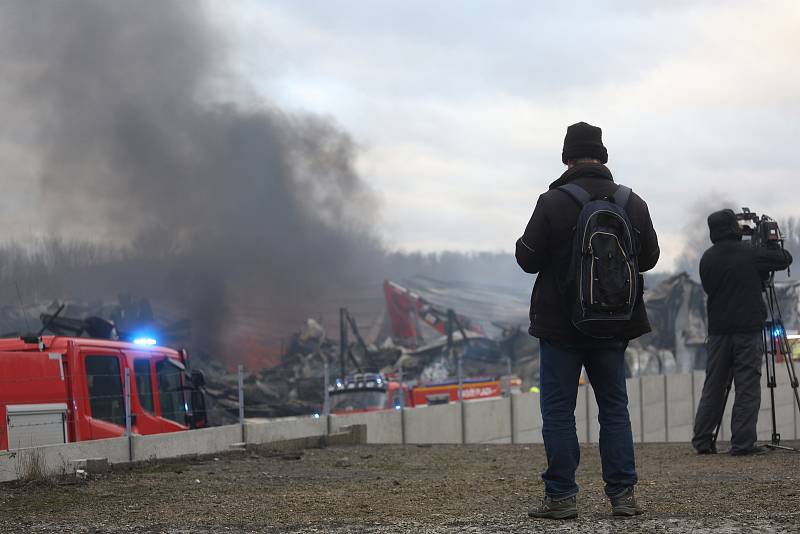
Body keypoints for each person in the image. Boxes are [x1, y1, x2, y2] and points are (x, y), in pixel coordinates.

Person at [515, 121, 659, 520]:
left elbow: (527, 259)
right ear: (603, 156)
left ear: (567, 158)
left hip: (560, 329)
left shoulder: (552, 202)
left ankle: (561, 497)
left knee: (559, 411)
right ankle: (623, 497)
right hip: (614, 324)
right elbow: (648, 259)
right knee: (614, 408)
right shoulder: (633, 203)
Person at [692, 209, 792, 456]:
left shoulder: (707, 258)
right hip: (747, 330)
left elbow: (708, 286)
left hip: (717, 331)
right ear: (734, 228)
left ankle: (702, 440)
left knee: (713, 385)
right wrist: (770, 243)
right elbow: (784, 259)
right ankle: (742, 444)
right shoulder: (750, 253)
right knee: (747, 385)